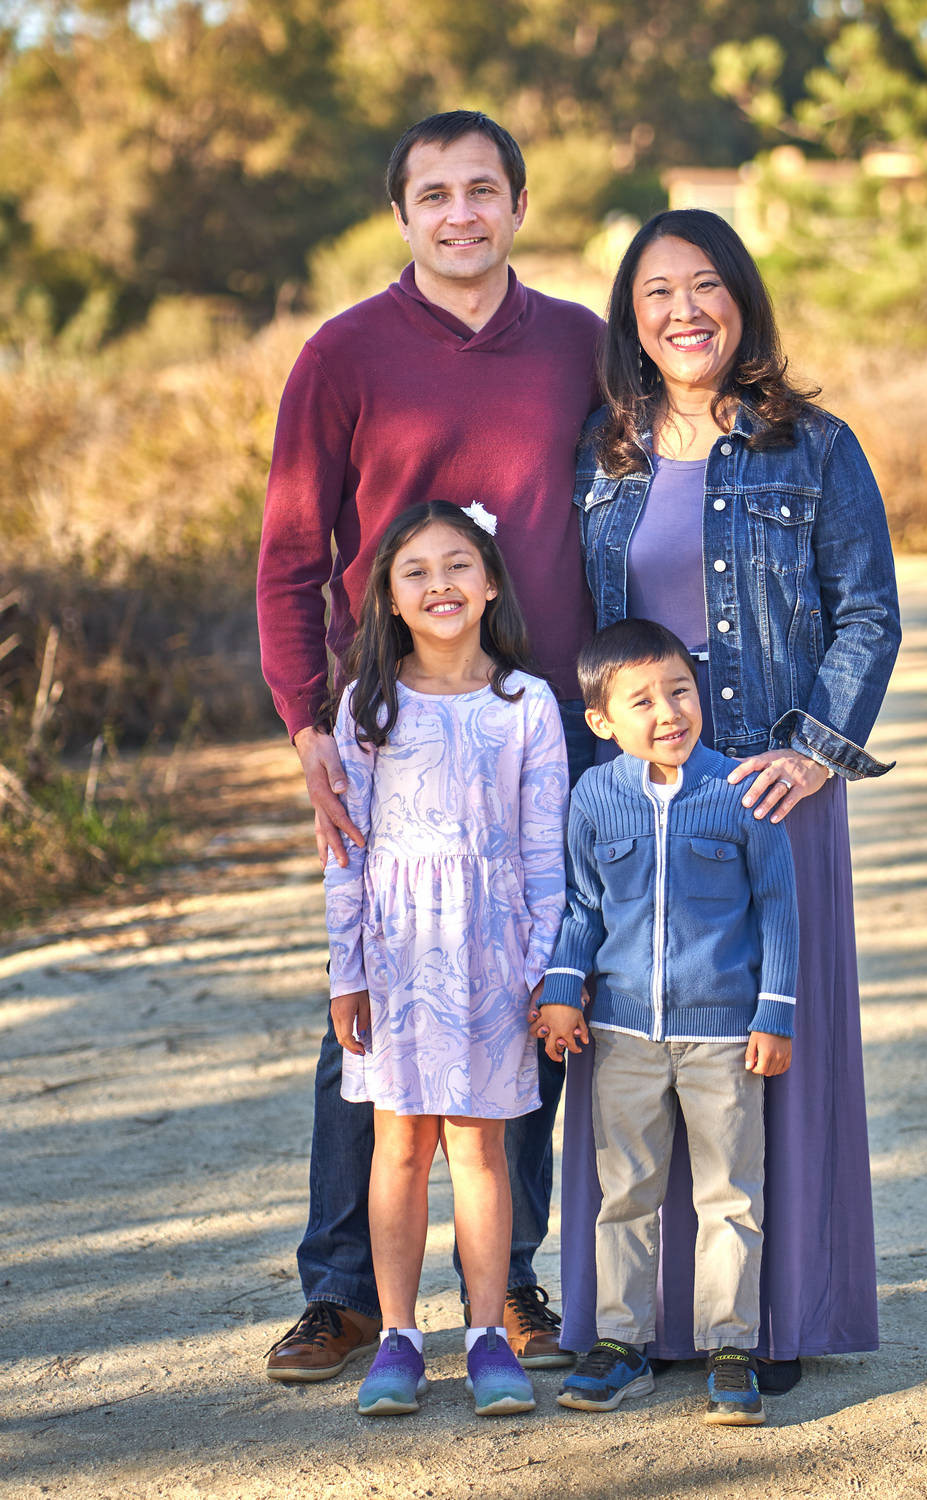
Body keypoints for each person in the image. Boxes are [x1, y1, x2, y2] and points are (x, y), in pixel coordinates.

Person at [258, 109, 603, 1381]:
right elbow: (293, 560)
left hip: (543, 718)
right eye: (433, 194)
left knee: (533, 992)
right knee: (375, 1002)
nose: (461, 213)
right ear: (401, 216)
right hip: (388, 720)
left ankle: (507, 1287)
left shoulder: (578, 344)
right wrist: (309, 727)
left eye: (482, 190)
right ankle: (346, 1292)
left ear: (518, 202)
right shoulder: (342, 355)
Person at [557, 209, 901, 1390]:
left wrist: (814, 751)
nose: (684, 311)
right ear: (631, 320)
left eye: (706, 287)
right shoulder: (604, 457)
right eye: (657, 293)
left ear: (741, 302)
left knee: (765, 1051)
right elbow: (587, 633)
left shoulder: (816, 446)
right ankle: (646, 1325)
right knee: (639, 1048)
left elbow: (868, 613)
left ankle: (776, 1318)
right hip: (641, 799)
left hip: (766, 790)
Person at [324, 501, 568, 1416]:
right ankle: (397, 1337)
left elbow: (547, 851)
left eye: (459, 565)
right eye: (415, 571)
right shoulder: (367, 706)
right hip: (396, 954)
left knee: (480, 1148)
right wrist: (345, 967)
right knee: (399, 1148)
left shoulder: (526, 704)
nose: (440, 586)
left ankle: (486, 1336)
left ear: (492, 582)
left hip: (492, 955)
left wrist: (548, 968)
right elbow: (344, 846)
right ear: (388, 598)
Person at [533, 619, 798, 1426]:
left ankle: (730, 1348)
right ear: (603, 721)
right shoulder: (594, 796)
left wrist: (775, 1011)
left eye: (679, 691)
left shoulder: (741, 789)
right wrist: (562, 988)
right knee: (625, 1195)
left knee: (730, 1196)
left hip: (724, 1038)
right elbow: (582, 904)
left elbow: (778, 908)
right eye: (641, 700)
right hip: (619, 1036)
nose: (668, 712)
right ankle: (620, 1343)